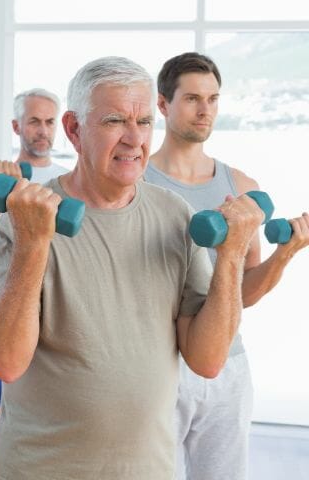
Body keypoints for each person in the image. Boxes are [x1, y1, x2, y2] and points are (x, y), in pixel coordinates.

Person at [0, 56, 265, 479]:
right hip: (40, 468)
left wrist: (233, 254)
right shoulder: (27, 219)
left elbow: (207, 360)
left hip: (146, 469)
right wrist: (34, 244)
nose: (134, 139)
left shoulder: (175, 215)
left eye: (144, 121)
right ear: (74, 129)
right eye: (114, 121)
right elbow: (6, 363)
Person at [145, 52, 309, 480]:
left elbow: (242, 294)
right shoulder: (137, 183)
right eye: (193, 98)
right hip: (155, 363)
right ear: (163, 105)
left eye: (213, 99)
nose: (205, 110)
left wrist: (286, 253)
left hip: (227, 363)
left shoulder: (241, 188)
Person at [0, 87, 68, 480]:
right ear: (17, 126)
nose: (42, 131)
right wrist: (7, 198)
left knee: (58, 417)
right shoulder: (0, 179)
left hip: (58, 311)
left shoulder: (69, 179)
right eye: (33, 121)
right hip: (11, 309)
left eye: (48, 122)